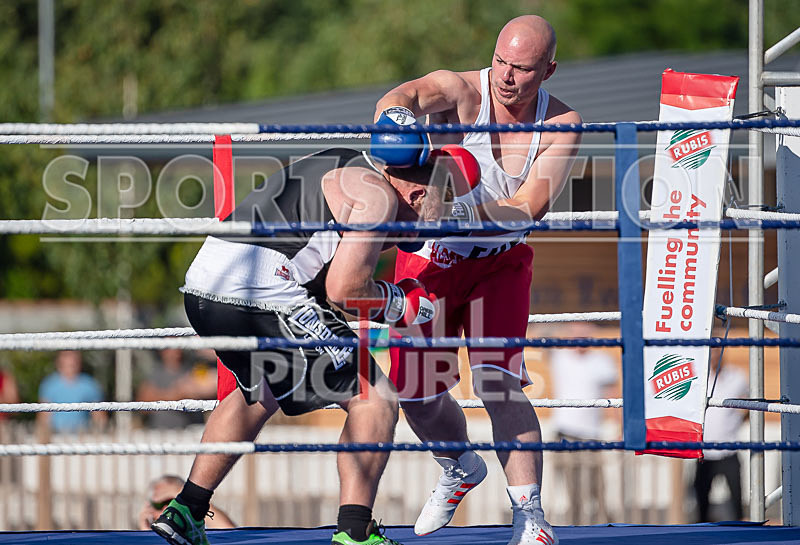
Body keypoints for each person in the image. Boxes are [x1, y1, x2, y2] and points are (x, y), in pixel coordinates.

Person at [151, 146, 476, 545]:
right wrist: (398, 303)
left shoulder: (345, 163)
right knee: (374, 398)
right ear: (416, 195)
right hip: (261, 289)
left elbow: (322, 269)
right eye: (429, 221)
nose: (418, 237)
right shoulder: (378, 197)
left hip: (203, 286)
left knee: (259, 393)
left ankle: (187, 510)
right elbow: (345, 289)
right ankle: (355, 531)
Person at [372, 15, 581, 545]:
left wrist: (456, 213)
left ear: (548, 70)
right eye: (501, 61)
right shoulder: (463, 91)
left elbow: (530, 205)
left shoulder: (561, 124)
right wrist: (395, 119)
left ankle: (530, 517)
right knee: (416, 392)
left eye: (522, 68)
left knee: (499, 383)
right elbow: (406, 94)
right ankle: (459, 465)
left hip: (500, 262)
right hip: (432, 262)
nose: (507, 76)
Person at [548, 322, 618, 524]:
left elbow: (612, 395)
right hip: (565, 432)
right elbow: (539, 331)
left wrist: (619, 426)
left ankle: (605, 528)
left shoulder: (601, 361)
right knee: (573, 489)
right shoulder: (559, 356)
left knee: (598, 488)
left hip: (592, 433)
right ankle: (576, 528)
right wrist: (568, 330)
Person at [694, 348, 748, 522]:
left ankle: (741, 533)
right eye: (712, 352)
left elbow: (748, 408)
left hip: (729, 448)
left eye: (717, 352)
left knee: (736, 500)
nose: (714, 356)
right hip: (704, 451)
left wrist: (734, 424)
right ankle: (702, 534)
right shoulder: (698, 378)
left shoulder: (738, 377)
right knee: (701, 500)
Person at [136, 348, 216, 428]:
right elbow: (143, 403)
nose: (174, 351)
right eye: (169, 348)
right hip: (160, 430)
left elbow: (203, 391)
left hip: (188, 430)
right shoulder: (155, 373)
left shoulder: (192, 370)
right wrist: (174, 394)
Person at [38, 350, 105, 433]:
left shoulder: (90, 385)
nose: (71, 362)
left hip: (82, 435)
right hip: (56, 435)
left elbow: (99, 418)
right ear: (59, 363)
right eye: (67, 360)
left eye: (74, 361)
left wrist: (99, 435)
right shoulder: (49, 385)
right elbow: (43, 418)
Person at [139, 475, 235, 530]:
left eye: (173, 501)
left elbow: (229, 531)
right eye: (159, 505)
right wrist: (147, 535)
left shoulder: (199, 532)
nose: (167, 509)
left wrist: (187, 494)